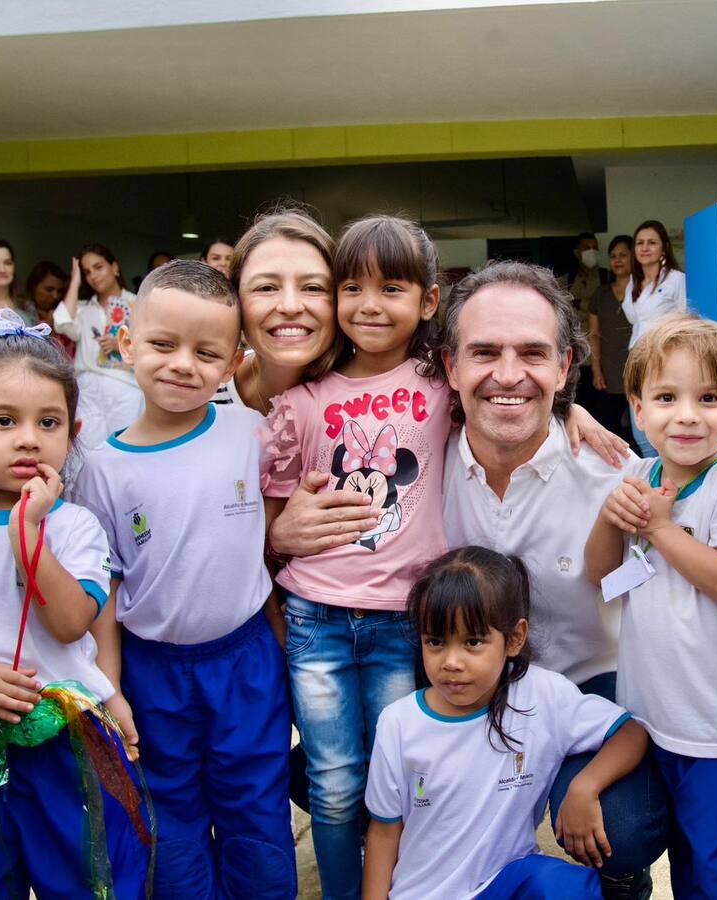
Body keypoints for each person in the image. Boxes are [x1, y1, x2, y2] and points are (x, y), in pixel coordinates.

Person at [425, 260, 667, 900]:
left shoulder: (618, 474)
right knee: (332, 769)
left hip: (589, 686)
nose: (508, 374)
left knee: (623, 829)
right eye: (484, 352)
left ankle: (621, 881)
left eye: (532, 353)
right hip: (463, 685)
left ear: (563, 369)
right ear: (450, 366)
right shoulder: (417, 464)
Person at [73, 260, 296, 898]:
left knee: (257, 810)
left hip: (246, 662)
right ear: (127, 343)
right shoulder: (102, 471)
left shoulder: (251, 433)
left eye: (206, 353)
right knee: (169, 820)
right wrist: (111, 686)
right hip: (152, 672)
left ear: (232, 364)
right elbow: (107, 591)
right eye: (163, 344)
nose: (182, 365)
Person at [259, 214, 448, 899]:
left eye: (391, 288)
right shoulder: (300, 402)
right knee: (335, 784)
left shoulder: (446, 385)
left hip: (406, 621)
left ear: (428, 301)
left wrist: (577, 414)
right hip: (317, 620)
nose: (369, 305)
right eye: (352, 287)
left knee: (399, 779)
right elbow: (270, 521)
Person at [0, 310, 150, 897]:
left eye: (48, 422)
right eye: (3, 420)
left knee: (83, 879)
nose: (28, 437)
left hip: (65, 747)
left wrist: (28, 532)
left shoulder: (75, 528)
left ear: (72, 434)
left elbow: (71, 621)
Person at [587, 312, 717, 898]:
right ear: (638, 408)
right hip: (654, 721)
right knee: (690, 867)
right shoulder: (639, 473)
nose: (688, 415)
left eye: (709, 398)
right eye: (667, 397)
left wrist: (661, 527)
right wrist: (610, 517)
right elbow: (602, 575)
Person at [362, 546, 648, 900]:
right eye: (435, 641)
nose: (451, 662)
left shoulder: (541, 695)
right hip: (423, 893)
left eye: (473, 642)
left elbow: (630, 732)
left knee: (563, 887)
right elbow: (384, 832)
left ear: (515, 638)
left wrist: (585, 786)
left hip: (503, 884)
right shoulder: (398, 723)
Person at [54, 244, 144, 453]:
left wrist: (121, 345)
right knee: (86, 451)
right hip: (88, 388)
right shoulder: (83, 308)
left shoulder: (138, 303)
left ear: (114, 267)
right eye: (87, 272)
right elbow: (62, 323)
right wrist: (75, 281)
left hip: (125, 385)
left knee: (125, 449)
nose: (93, 276)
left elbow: (153, 345)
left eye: (98, 267)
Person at [622, 221, 686, 456]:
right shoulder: (633, 283)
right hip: (637, 360)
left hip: (664, 360)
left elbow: (688, 321)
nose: (645, 248)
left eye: (652, 242)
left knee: (662, 426)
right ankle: (655, 474)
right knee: (641, 429)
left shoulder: (676, 279)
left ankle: (670, 475)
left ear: (664, 247)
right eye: (639, 243)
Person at [588, 235, 634, 443]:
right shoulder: (601, 294)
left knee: (640, 432)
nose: (617, 260)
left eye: (623, 255)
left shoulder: (645, 291)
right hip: (609, 371)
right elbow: (594, 335)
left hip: (639, 369)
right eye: (613, 256)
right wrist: (596, 370)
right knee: (607, 430)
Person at [567, 232, 608, 412]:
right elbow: (566, 310)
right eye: (587, 248)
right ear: (577, 252)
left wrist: (579, 303)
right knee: (577, 407)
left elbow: (604, 308)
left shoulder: (607, 277)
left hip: (603, 356)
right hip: (576, 357)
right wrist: (590, 306)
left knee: (603, 409)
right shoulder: (567, 279)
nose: (592, 252)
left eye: (595, 248)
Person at [26, 260, 75, 358]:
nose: (55, 296)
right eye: (49, 290)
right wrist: (48, 328)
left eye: (59, 291)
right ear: (33, 287)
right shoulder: (24, 315)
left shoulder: (67, 313)